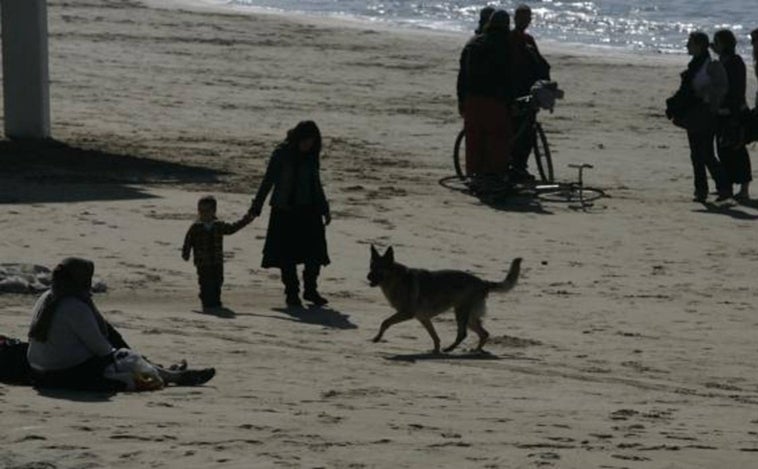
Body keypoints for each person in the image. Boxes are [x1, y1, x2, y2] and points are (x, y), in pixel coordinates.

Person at [27, 258, 215, 392]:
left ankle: (158, 369)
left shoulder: (48, 297)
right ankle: (174, 376)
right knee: (121, 354)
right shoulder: (75, 307)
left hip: (38, 368)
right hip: (64, 372)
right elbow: (103, 350)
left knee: (116, 342)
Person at [249, 121, 331, 308]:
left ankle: (310, 290)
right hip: (285, 211)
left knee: (314, 254)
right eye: (305, 141)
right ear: (298, 138)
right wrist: (256, 206)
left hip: (310, 210)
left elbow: (316, 183)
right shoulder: (281, 154)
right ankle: (292, 294)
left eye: (311, 141)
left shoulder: (312, 156)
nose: (308, 145)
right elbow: (268, 181)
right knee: (287, 257)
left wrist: (324, 208)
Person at [666, 32, 732, 203]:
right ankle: (701, 190)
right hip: (694, 115)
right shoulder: (695, 64)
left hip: (706, 115)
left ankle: (723, 187)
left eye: (690, 43)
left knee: (706, 154)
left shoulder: (711, 65)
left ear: (699, 46)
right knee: (696, 154)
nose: (687, 46)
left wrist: (706, 96)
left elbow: (721, 87)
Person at [456, 9, 514, 182]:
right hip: (495, 101)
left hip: (472, 100)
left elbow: (462, 77)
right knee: (497, 140)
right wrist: (510, 102)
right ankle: (494, 178)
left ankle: (474, 176)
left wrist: (461, 100)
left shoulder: (473, 44)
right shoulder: (504, 45)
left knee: (474, 141)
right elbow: (508, 77)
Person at [182, 195, 253, 310]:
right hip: (202, 261)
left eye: (207, 210)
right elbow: (188, 240)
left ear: (214, 211)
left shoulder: (218, 225)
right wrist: (186, 253)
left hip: (216, 260)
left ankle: (216, 300)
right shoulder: (196, 227)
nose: (204, 213)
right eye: (201, 211)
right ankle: (206, 300)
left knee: (218, 281)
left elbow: (232, 228)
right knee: (205, 281)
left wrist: (247, 219)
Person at [509, 4, 551, 182]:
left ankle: (520, 167)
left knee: (528, 132)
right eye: (522, 18)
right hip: (514, 91)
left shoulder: (528, 40)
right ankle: (514, 166)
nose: (525, 21)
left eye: (528, 18)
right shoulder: (509, 39)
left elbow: (540, 64)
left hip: (528, 90)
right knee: (517, 130)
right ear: (515, 18)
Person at [712, 29, 752, 200]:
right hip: (722, 111)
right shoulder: (725, 60)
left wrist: (731, 110)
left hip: (734, 111)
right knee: (723, 150)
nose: (715, 45)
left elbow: (736, 89)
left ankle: (744, 189)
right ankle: (728, 184)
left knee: (737, 149)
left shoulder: (734, 62)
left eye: (717, 42)